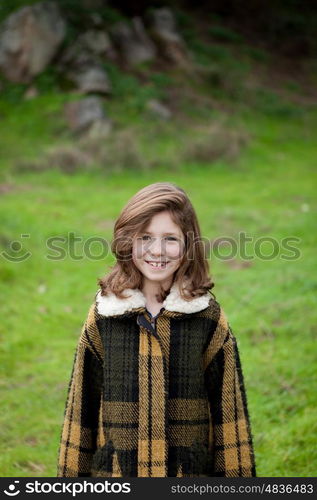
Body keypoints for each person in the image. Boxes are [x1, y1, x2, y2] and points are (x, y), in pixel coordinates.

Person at [57, 182, 256, 477]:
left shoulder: (208, 320)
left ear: (188, 245)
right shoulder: (104, 317)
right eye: (145, 237)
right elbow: (80, 412)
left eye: (170, 239)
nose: (157, 250)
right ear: (128, 242)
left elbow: (230, 416)